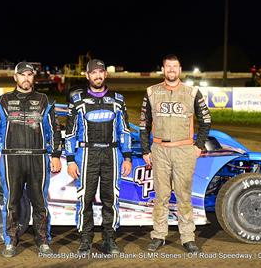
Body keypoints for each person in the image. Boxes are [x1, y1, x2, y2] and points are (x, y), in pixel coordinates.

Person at [0, 62, 62, 257]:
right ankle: (10, 242)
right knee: (11, 202)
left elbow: (55, 130)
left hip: (39, 158)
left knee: (40, 203)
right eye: (22, 75)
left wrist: (55, 155)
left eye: (29, 74)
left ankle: (44, 241)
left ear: (33, 77)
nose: (26, 78)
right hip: (11, 159)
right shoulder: (0, 102)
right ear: (15, 77)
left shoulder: (45, 100)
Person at [140, 54, 211, 253]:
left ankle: (188, 238)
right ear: (163, 69)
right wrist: (146, 149)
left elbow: (206, 121)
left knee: (183, 196)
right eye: (168, 66)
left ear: (180, 70)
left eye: (175, 66)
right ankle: (158, 235)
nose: (171, 70)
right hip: (160, 150)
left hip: (184, 150)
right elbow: (144, 124)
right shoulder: (151, 92)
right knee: (161, 196)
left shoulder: (192, 92)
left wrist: (198, 146)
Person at [65, 59, 132, 254]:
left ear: (106, 75)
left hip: (112, 154)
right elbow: (70, 132)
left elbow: (125, 130)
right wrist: (70, 159)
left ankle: (109, 240)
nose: (97, 76)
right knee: (84, 198)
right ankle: (85, 239)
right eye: (93, 73)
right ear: (87, 76)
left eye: (101, 72)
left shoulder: (118, 99)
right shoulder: (77, 100)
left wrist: (127, 157)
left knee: (111, 198)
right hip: (86, 154)